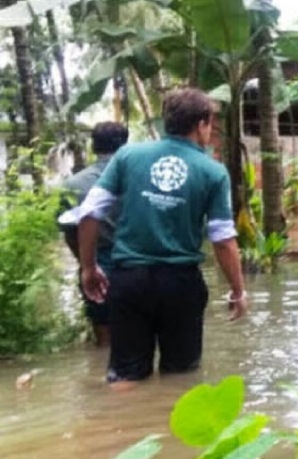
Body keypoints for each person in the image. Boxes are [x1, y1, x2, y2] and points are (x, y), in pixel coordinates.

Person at [76, 88, 248, 385]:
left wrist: (88, 267)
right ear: (201, 124)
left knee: (125, 377)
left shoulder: (128, 155)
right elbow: (222, 239)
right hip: (180, 284)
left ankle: (119, 428)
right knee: (181, 378)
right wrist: (238, 290)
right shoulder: (213, 171)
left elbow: (89, 213)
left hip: (129, 280)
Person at [57, 121, 128, 347]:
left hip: (96, 260)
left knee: (104, 334)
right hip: (138, 261)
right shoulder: (139, 178)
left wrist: (86, 264)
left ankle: (102, 377)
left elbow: (69, 232)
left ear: (94, 146)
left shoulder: (72, 185)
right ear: (125, 144)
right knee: (141, 331)